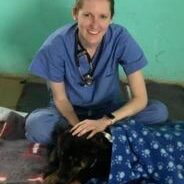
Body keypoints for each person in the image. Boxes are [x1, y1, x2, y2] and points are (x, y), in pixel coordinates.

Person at [25, 0, 168, 144]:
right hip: (69, 113)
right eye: (87, 15)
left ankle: (96, 134)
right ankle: (106, 136)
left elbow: (140, 98)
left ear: (111, 18)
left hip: (108, 111)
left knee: (158, 111)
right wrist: (80, 129)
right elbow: (61, 100)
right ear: (75, 14)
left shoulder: (120, 38)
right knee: (37, 125)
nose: (95, 24)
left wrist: (106, 121)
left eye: (103, 17)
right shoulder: (56, 45)